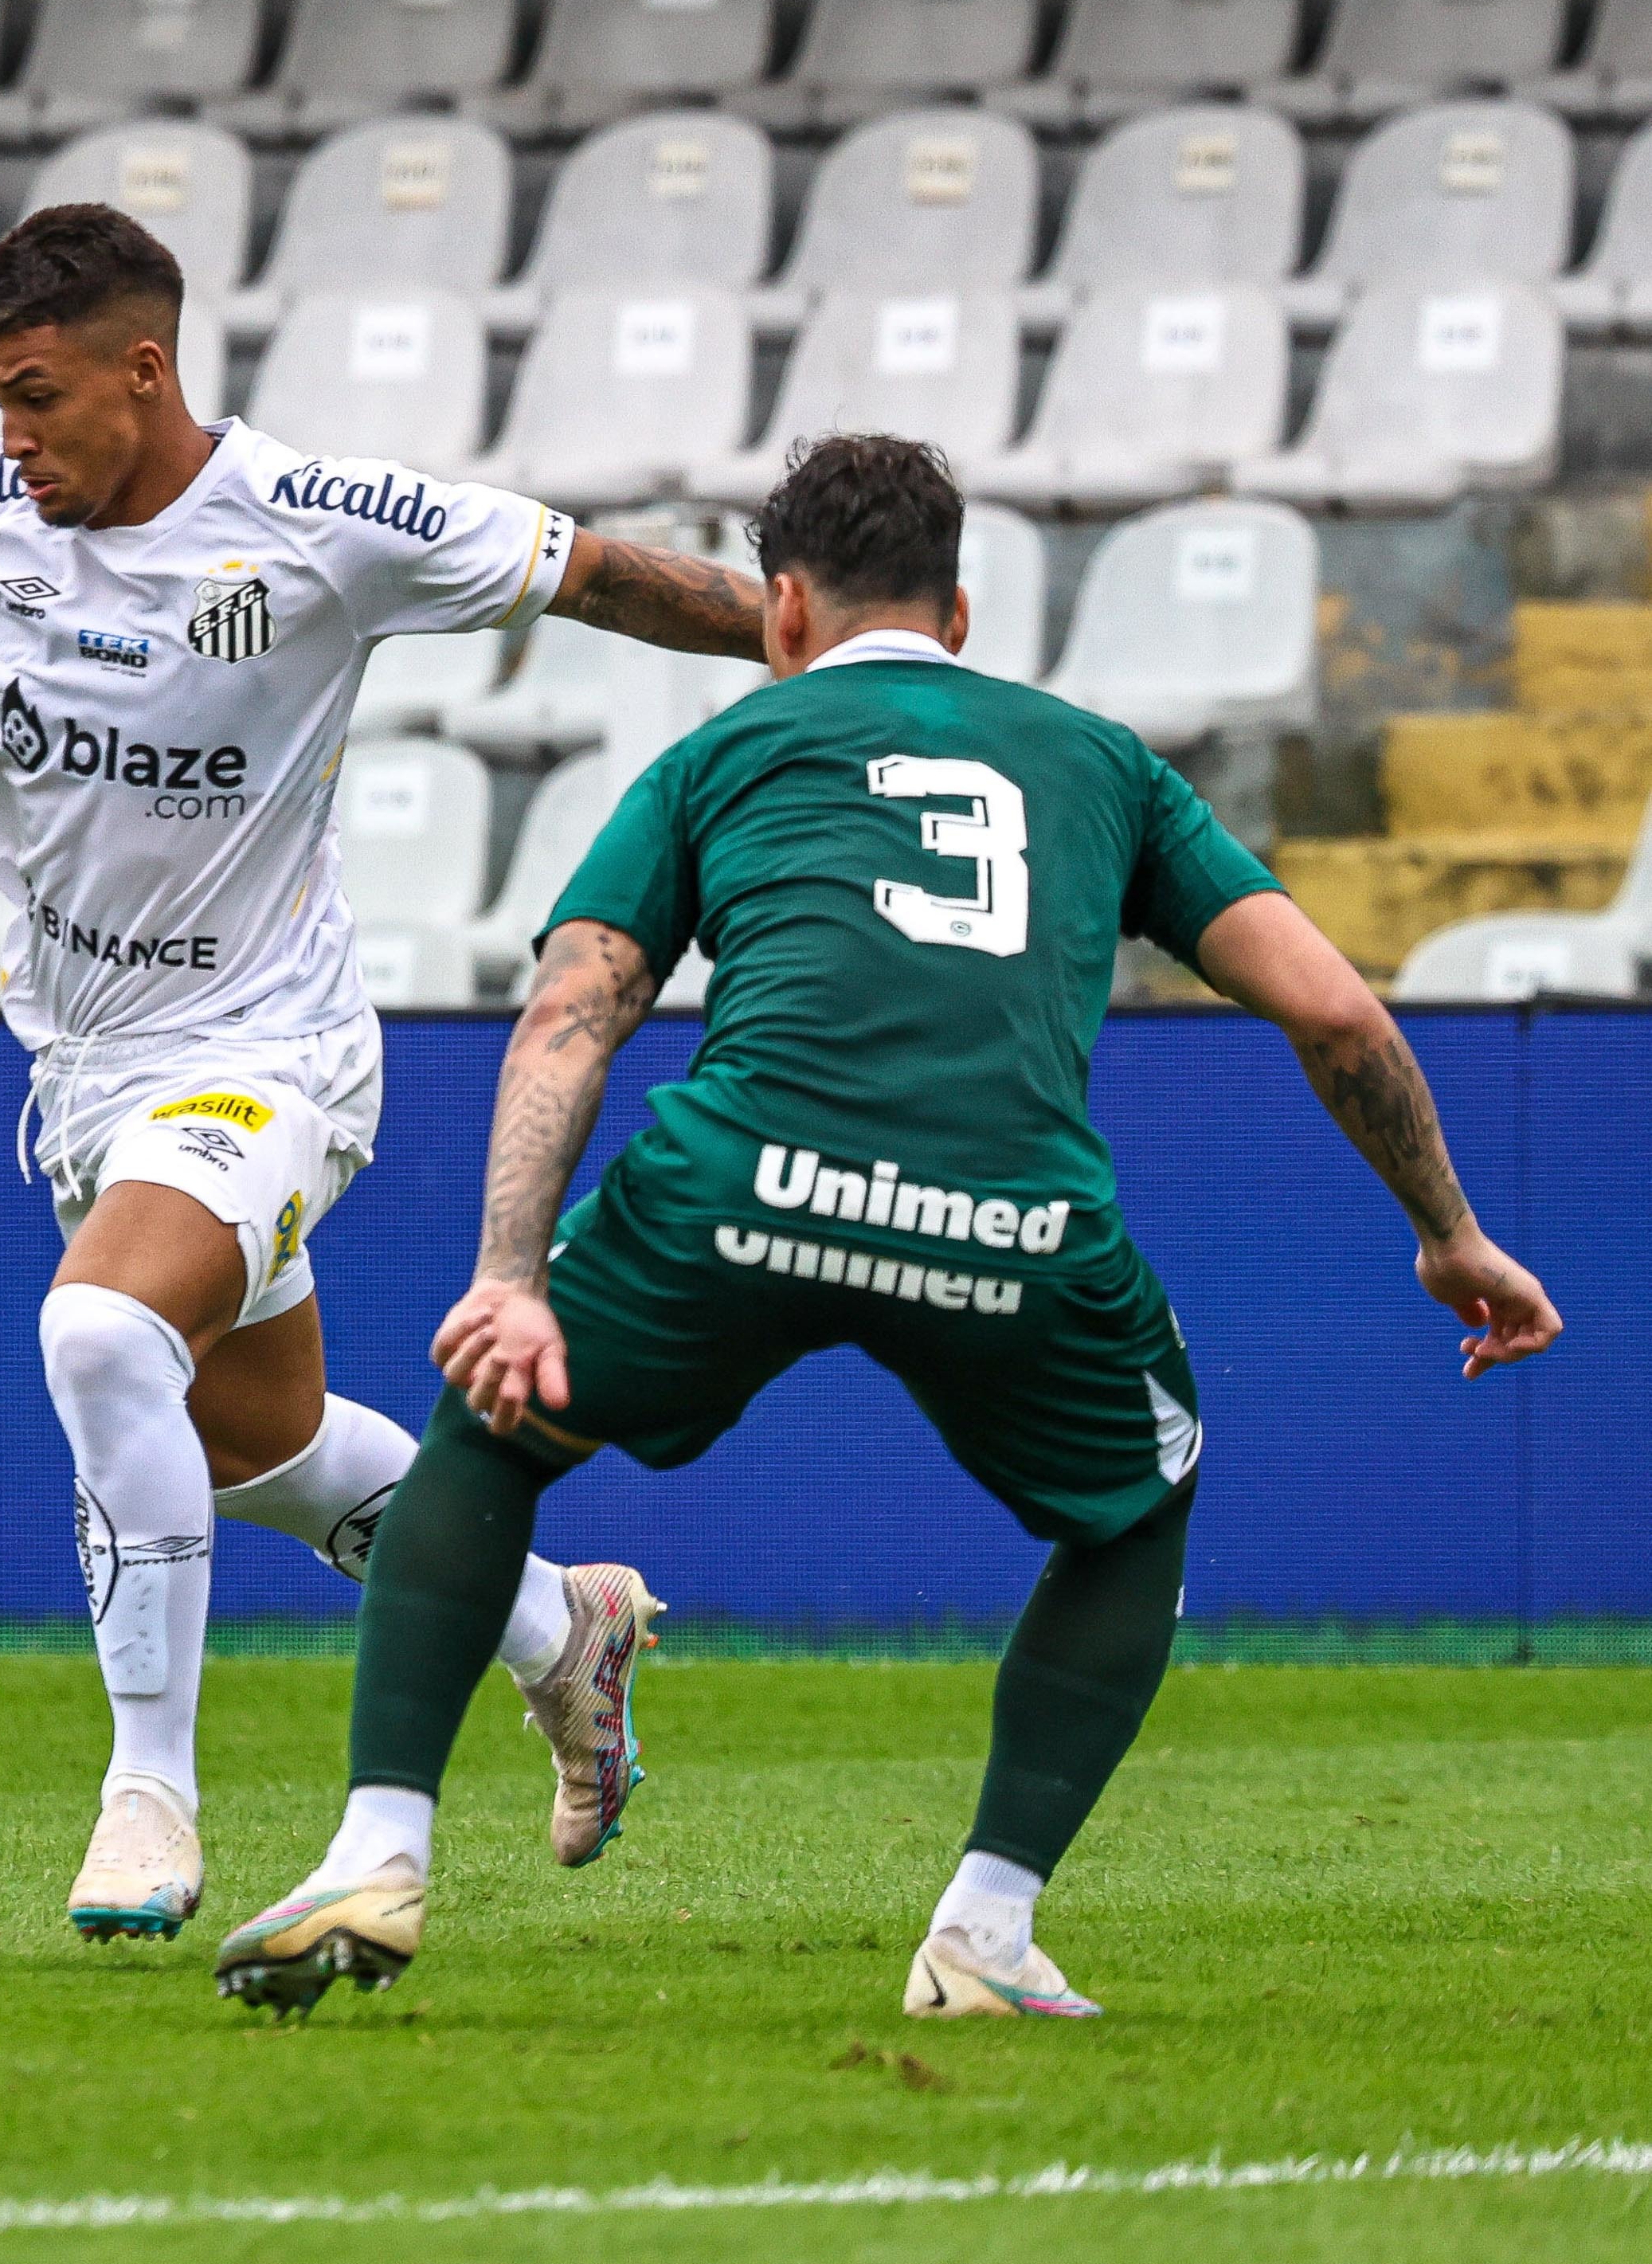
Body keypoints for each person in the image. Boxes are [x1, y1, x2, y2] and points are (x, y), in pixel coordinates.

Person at [213, 434, 1564, 2022]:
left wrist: (510, 1280)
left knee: (490, 1436)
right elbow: (1336, 1015)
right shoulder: (1107, 763)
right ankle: (984, 1932)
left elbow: (575, 1010)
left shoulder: (722, 758)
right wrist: (1449, 1233)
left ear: (782, 608)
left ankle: (379, 1851)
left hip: (743, 1190)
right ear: (964, 612)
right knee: (1137, 1509)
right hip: (1011, 1219)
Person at [0, 204, 767, 1941]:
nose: (13, 438)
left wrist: (816, 647)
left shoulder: (320, 524)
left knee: (98, 1334)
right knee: (254, 1449)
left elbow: (601, 576)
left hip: (266, 1055)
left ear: (146, 369)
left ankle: (152, 1797)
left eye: (39, 397)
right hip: (86, 1075)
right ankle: (558, 1632)